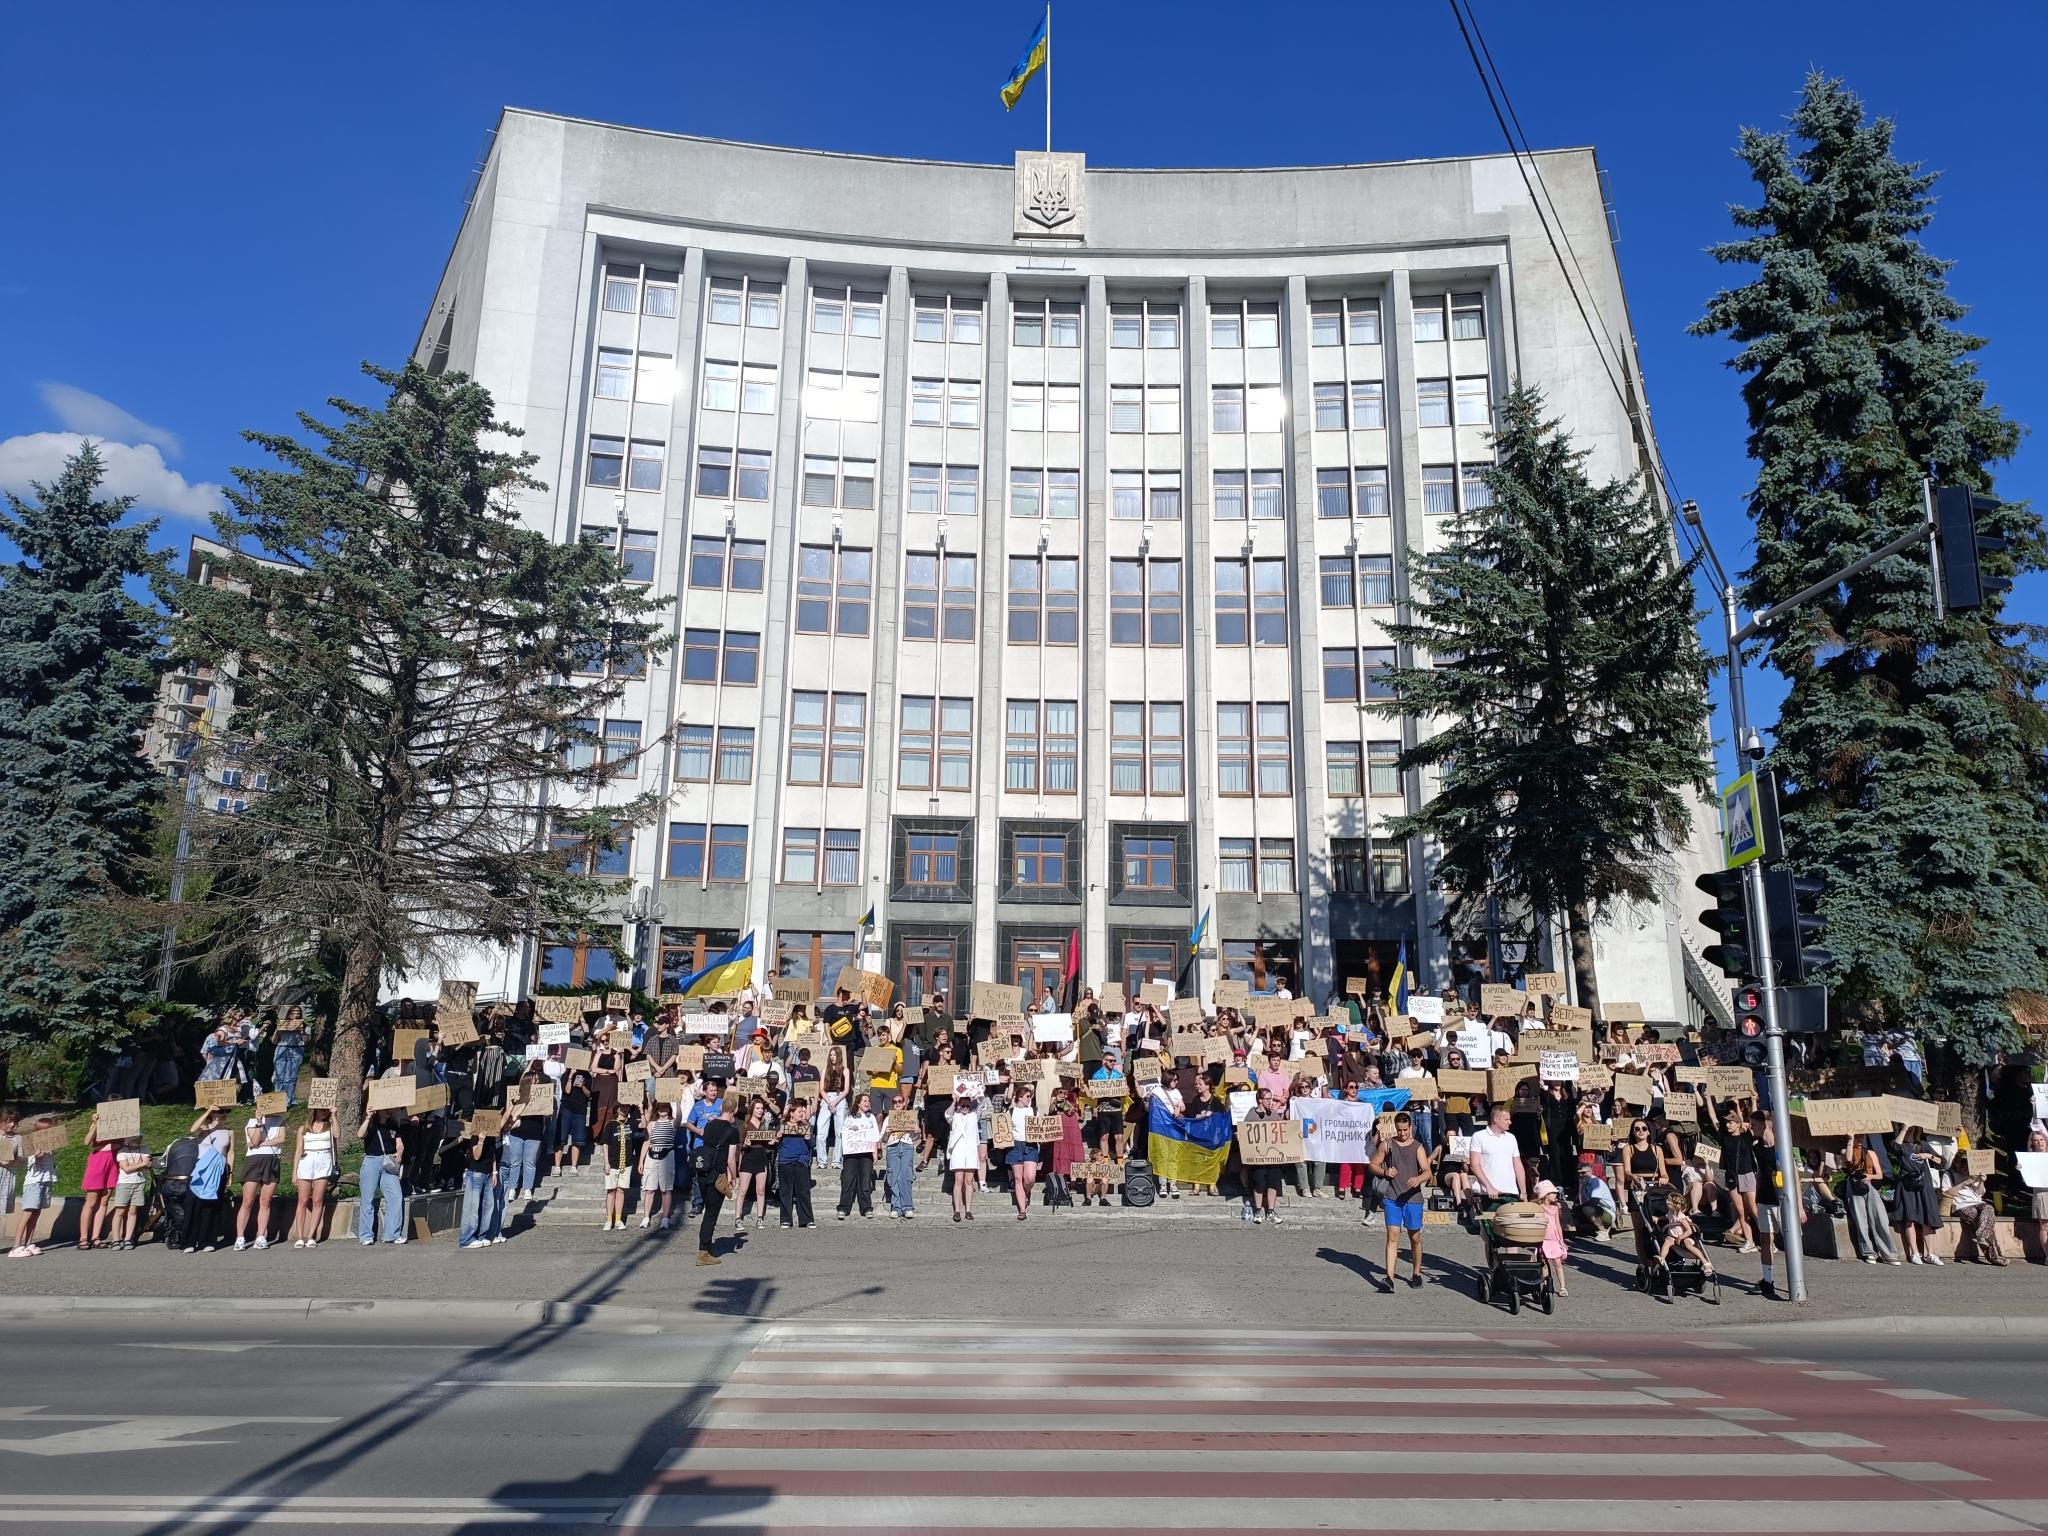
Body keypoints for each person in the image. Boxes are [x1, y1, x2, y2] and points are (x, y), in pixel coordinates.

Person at [1369, 1111, 1433, 1290]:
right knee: (1392, 1236)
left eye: (1405, 1130)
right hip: (1392, 1197)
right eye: (1399, 1130)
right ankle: (1389, 1278)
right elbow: (1373, 1164)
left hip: (1413, 1198)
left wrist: (1419, 1179)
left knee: (1415, 1237)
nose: (1403, 1133)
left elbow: (1427, 1170)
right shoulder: (1387, 1144)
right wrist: (1384, 1172)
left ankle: (1417, 1273)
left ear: (1410, 1127)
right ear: (1395, 1128)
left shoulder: (1418, 1147)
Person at [694, 1092, 741, 1265]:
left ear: (721, 1107)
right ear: (735, 1110)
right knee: (711, 1215)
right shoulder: (732, 1131)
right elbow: (730, 1159)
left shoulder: (709, 1125)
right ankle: (703, 1251)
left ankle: (707, 1247)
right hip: (717, 1175)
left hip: (702, 1171)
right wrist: (734, 1177)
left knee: (708, 1210)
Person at [1841, 1132, 1900, 1265]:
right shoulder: (1846, 1150)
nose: (1860, 1139)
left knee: (1879, 1218)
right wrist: (1850, 1139)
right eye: (1857, 1136)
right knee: (1861, 1219)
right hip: (1854, 1186)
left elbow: (1879, 1175)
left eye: (1861, 1136)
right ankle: (1868, 1252)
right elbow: (1849, 1159)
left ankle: (1889, 1253)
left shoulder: (1871, 1153)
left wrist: (1870, 1176)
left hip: (1869, 1186)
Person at [233, 1107, 287, 1249]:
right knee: (248, 1200)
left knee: (265, 1200)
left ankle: (261, 1235)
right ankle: (240, 1237)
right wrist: (258, 1121)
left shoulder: (280, 1120)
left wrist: (261, 1144)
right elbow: (255, 1139)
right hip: (254, 1160)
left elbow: (281, 1139)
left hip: (272, 1159)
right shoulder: (251, 1122)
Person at [1893, 1123, 1945, 1266]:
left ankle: (1930, 1254)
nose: (1910, 1129)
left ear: (1917, 1129)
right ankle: (1914, 1252)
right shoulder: (1901, 1144)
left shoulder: (1922, 1144)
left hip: (1924, 1184)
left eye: (1912, 1127)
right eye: (1907, 1128)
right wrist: (1903, 1128)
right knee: (1910, 1218)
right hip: (1907, 1185)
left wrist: (1928, 1156)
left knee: (1928, 1218)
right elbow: (1895, 1147)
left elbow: (1942, 1162)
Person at [356, 1109, 407, 1245]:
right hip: (372, 1160)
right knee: (368, 1198)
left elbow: (399, 1143)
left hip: (388, 1161)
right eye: (386, 1109)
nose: (388, 1111)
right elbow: (360, 1134)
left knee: (396, 1196)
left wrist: (399, 1153)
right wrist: (368, 1117)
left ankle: (392, 1234)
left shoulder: (393, 1125)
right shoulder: (371, 1124)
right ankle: (366, 1235)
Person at [289, 1108, 338, 1248]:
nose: (324, 1112)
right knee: (303, 1200)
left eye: (325, 1110)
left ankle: (311, 1236)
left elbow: (337, 1134)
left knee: (317, 1200)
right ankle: (299, 1236)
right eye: (321, 1110)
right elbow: (298, 1151)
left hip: (323, 1160)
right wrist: (294, 1172)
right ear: (314, 1111)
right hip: (307, 1161)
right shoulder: (303, 1129)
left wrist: (334, 1116)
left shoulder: (329, 1127)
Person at [77, 1109, 121, 1250]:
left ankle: (96, 1236)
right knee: (91, 1200)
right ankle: (83, 1237)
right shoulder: (98, 1122)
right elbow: (87, 1141)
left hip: (114, 1160)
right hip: (99, 1160)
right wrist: (95, 1124)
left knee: (104, 1200)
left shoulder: (122, 1123)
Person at [1467, 1104, 1527, 1208]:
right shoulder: (1479, 1136)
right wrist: (1488, 1186)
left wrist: (1523, 1191)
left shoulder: (1511, 1138)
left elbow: (1518, 1166)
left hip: (1511, 1193)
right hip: (1490, 1194)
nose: (1510, 1122)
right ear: (1496, 1119)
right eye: (1506, 1119)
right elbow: (1474, 1165)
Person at [457, 1125, 503, 1249]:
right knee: (472, 1208)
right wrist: (481, 1141)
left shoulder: (492, 1137)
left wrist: (494, 1172)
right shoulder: (475, 1136)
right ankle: (466, 1239)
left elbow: (493, 1155)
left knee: (488, 1206)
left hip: (488, 1174)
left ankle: (482, 1235)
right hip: (476, 1173)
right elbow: (476, 1156)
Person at [732, 1098, 774, 1230]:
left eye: (762, 1108)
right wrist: (744, 1144)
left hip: (761, 1156)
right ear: (752, 1109)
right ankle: (738, 1218)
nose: (760, 1111)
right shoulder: (745, 1124)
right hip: (749, 1156)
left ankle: (760, 1218)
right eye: (757, 1108)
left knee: (761, 1190)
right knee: (743, 1189)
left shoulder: (765, 1124)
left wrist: (771, 1143)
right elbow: (739, 1143)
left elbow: (767, 1141)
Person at [1949, 1169, 2005, 1266]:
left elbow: (1980, 1193)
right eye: (1962, 1164)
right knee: (1984, 1223)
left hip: (1977, 1202)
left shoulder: (1974, 1173)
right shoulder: (1949, 1174)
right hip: (1961, 1205)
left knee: (1989, 1208)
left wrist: (1981, 1181)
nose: (1965, 1167)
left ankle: (1981, 1236)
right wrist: (1962, 1184)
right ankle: (1995, 1256)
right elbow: (1946, 1193)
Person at [637, 1101, 679, 1231]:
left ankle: (666, 1218)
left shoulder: (673, 1122)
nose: (662, 1110)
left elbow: (680, 1118)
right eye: (660, 1107)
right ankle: (646, 1217)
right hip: (651, 1155)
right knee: (649, 1188)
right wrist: (641, 1161)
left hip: (667, 1155)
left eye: (665, 1107)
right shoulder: (652, 1124)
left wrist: (677, 1102)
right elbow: (647, 1142)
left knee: (666, 1189)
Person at [775, 1101, 817, 1228]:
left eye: (803, 1112)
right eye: (800, 1112)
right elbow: (775, 1144)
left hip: (801, 1162)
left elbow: (812, 1145)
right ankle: (786, 1219)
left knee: (803, 1192)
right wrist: (777, 1137)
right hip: (785, 1162)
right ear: (792, 1113)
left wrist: (809, 1137)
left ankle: (807, 1219)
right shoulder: (781, 1126)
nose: (802, 1114)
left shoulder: (806, 1127)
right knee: (785, 1192)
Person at [838, 1091, 879, 1220]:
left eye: (868, 1101)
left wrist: (875, 1152)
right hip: (851, 1154)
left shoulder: (871, 1118)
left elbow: (875, 1136)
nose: (867, 1103)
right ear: (858, 1103)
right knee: (848, 1180)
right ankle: (843, 1208)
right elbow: (844, 1133)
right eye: (865, 1101)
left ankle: (866, 1208)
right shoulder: (850, 1117)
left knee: (865, 1182)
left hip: (866, 1153)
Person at [107, 1136, 153, 1250]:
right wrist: (142, 1164)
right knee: (120, 1211)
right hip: (125, 1183)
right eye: (135, 1138)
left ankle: (128, 1238)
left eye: (140, 1137)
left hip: (139, 1182)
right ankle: (116, 1239)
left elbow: (149, 1164)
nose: (139, 1140)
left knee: (133, 1211)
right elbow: (126, 1168)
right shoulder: (122, 1151)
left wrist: (139, 1165)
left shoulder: (145, 1149)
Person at [1532, 1178, 1572, 1297]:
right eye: (1553, 1193)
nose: (1555, 1195)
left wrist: (1561, 1240)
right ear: (1545, 1195)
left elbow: (1558, 1225)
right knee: (1544, 1263)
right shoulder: (1538, 1209)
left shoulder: (1555, 1209)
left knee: (1558, 1263)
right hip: (1543, 1240)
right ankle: (1546, 1286)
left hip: (1554, 1239)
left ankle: (1563, 1287)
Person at [946, 1093, 980, 1223]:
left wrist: (978, 1093)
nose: (965, 1107)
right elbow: (947, 1115)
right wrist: (954, 1101)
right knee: (958, 1179)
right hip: (958, 1150)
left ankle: (968, 1210)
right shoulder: (955, 1115)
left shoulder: (974, 1115)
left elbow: (982, 1105)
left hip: (970, 1151)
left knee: (969, 1181)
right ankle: (957, 1210)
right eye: (963, 1105)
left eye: (967, 1105)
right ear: (959, 1106)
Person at [600, 1110, 635, 1232]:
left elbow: (644, 1126)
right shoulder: (610, 1125)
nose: (625, 1108)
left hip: (626, 1163)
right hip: (613, 1162)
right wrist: (606, 1162)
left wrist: (641, 1109)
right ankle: (609, 1219)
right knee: (611, 1191)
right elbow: (605, 1144)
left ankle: (619, 1219)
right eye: (622, 1106)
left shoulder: (631, 1123)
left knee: (621, 1191)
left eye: (626, 1106)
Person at [271, 1005, 309, 1106]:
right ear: (289, 1014)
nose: (295, 1015)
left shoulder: (304, 1025)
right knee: (279, 1076)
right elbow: (274, 1041)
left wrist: (301, 1032)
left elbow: (306, 1041)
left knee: (291, 1077)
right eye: (293, 1013)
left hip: (296, 1049)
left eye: (298, 1013)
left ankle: (287, 1101)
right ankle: (278, 1100)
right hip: (282, 1048)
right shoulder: (283, 1024)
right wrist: (277, 1030)